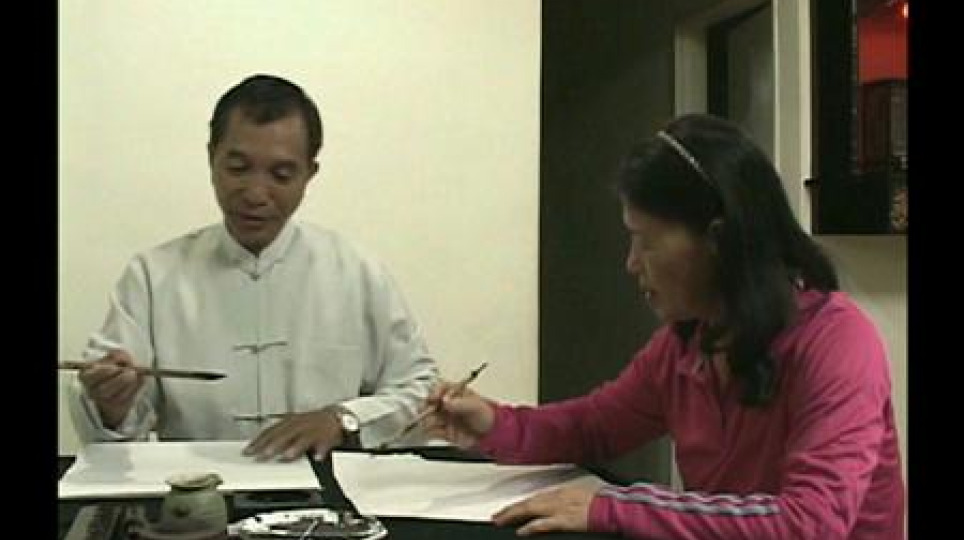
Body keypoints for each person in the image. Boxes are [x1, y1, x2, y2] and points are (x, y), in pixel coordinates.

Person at [423, 114, 904, 539]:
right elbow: (592, 427)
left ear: (717, 240)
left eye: (646, 241)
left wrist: (616, 508)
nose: (632, 263)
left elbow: (809, 524)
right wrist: (494, 423)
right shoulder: (686, 344)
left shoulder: (837, 341)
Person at [69, 74, 439, 462]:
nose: (256, 194)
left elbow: (422, 389)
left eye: (281, 175)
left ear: (309, 175)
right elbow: (113, 425)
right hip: (198, 489)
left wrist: (343, 419)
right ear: (212, 158)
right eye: (238, 168)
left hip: (325, 485)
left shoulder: (356, 271)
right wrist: (111, 403)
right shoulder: (152, 275)